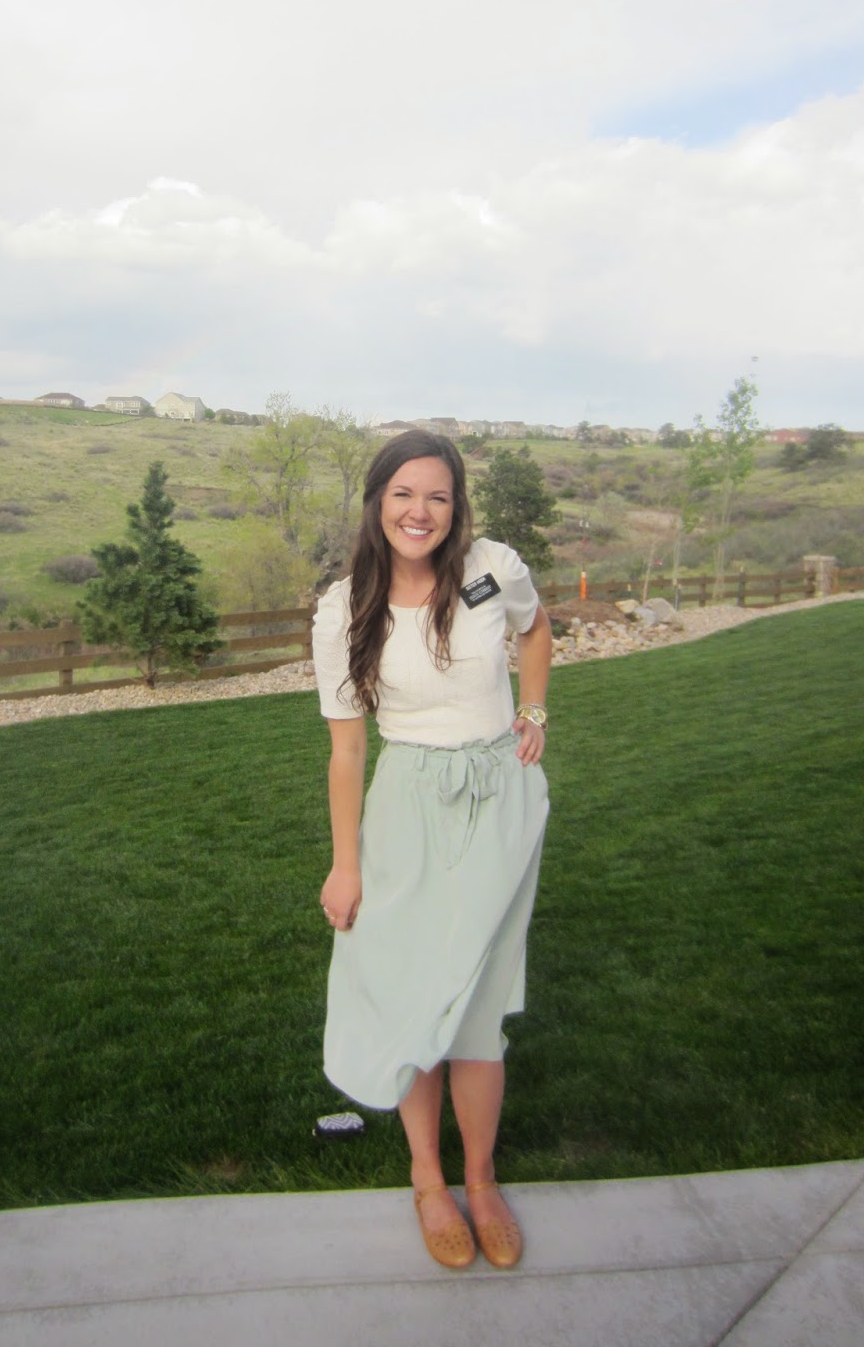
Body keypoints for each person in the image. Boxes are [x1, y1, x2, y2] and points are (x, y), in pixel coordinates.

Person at [312, 429, 552, 1270]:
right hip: (407, 802)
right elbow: (347, 750)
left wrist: (534, 709)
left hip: (500, 797)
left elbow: (535, 629)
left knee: (479, 1003)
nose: (421, 512)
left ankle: (481, 1181)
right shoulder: (344, 609)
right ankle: (428, 1180)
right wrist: (346, 864)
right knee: (413, 995)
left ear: (457, 506)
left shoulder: (492, 568)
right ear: (378, 502)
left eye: (438, 496)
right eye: (404, 494)